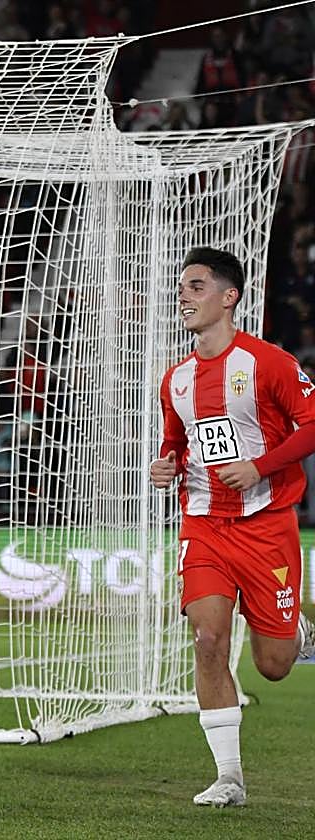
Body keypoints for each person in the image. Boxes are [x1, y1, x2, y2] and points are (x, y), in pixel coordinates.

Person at [150, 247, 315, 808]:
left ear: (229, 297)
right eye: (182, 287)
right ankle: (229, 778)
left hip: (267, 527)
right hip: (203, 526)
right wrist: (164, 463)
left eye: (196, 286)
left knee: (272, 667)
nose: (184, 296)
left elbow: (313, 423)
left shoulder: (267, 362)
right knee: (208, 638)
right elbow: (178, 444)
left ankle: (295, 635)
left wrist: (261, 466)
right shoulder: (176, 380)